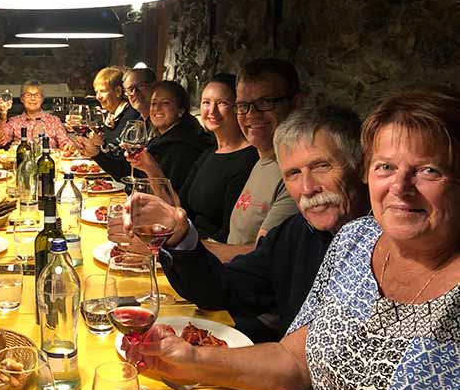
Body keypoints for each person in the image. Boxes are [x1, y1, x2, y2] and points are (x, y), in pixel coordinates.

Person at [130, 87, 460, 390]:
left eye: (429, 170)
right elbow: (293, 360)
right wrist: (191, 360)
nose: (400, 187)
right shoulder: (356, 240)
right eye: (386, 167)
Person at [158, 105, 368, 342]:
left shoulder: (393, 246)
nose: (308, 188)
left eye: (321, 166)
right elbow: (221, 289)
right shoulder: (294, 233)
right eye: (294, 174)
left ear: (360, 167)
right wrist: (179, 237)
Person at [205, 58, 302, 261]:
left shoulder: (297, 173)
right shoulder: (261, 161)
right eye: (243, 105)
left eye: (265, 102)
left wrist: (182, 245)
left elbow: (263, 255)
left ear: (295, 104)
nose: (251, 114)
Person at [180, 74, 258, 242]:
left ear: (238, 108)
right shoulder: (209, 153)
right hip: (187, 242)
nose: (212, 111)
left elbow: (229, 232)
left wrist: (183, 248)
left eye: (222, 103)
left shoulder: (248, 159)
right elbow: (181, 206)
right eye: (206, 102)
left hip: (210, 253)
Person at [126, 81, 214, 192]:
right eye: (153, 103)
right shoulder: (159, 140)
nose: (157, 108)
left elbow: (172, 198)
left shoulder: (183, 148)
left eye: (165, 103)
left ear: (181, 110)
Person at [72, 66, 141, 181]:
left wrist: (97, 153)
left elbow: (124, 166)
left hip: (125, 185)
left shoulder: (132, 118)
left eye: (103, 91)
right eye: (96, 92)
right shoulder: (110, 117)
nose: (98, 97)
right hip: (111, 178)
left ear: (118, 91)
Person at [0, 80, 74, 150]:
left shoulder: (54, 120)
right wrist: (3, 114)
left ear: (42, 99)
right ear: (22, 99)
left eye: (37, 95)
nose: (32, 98)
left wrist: (68, 147)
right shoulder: (14, 121)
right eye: (28, 95)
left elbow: (65, 143)